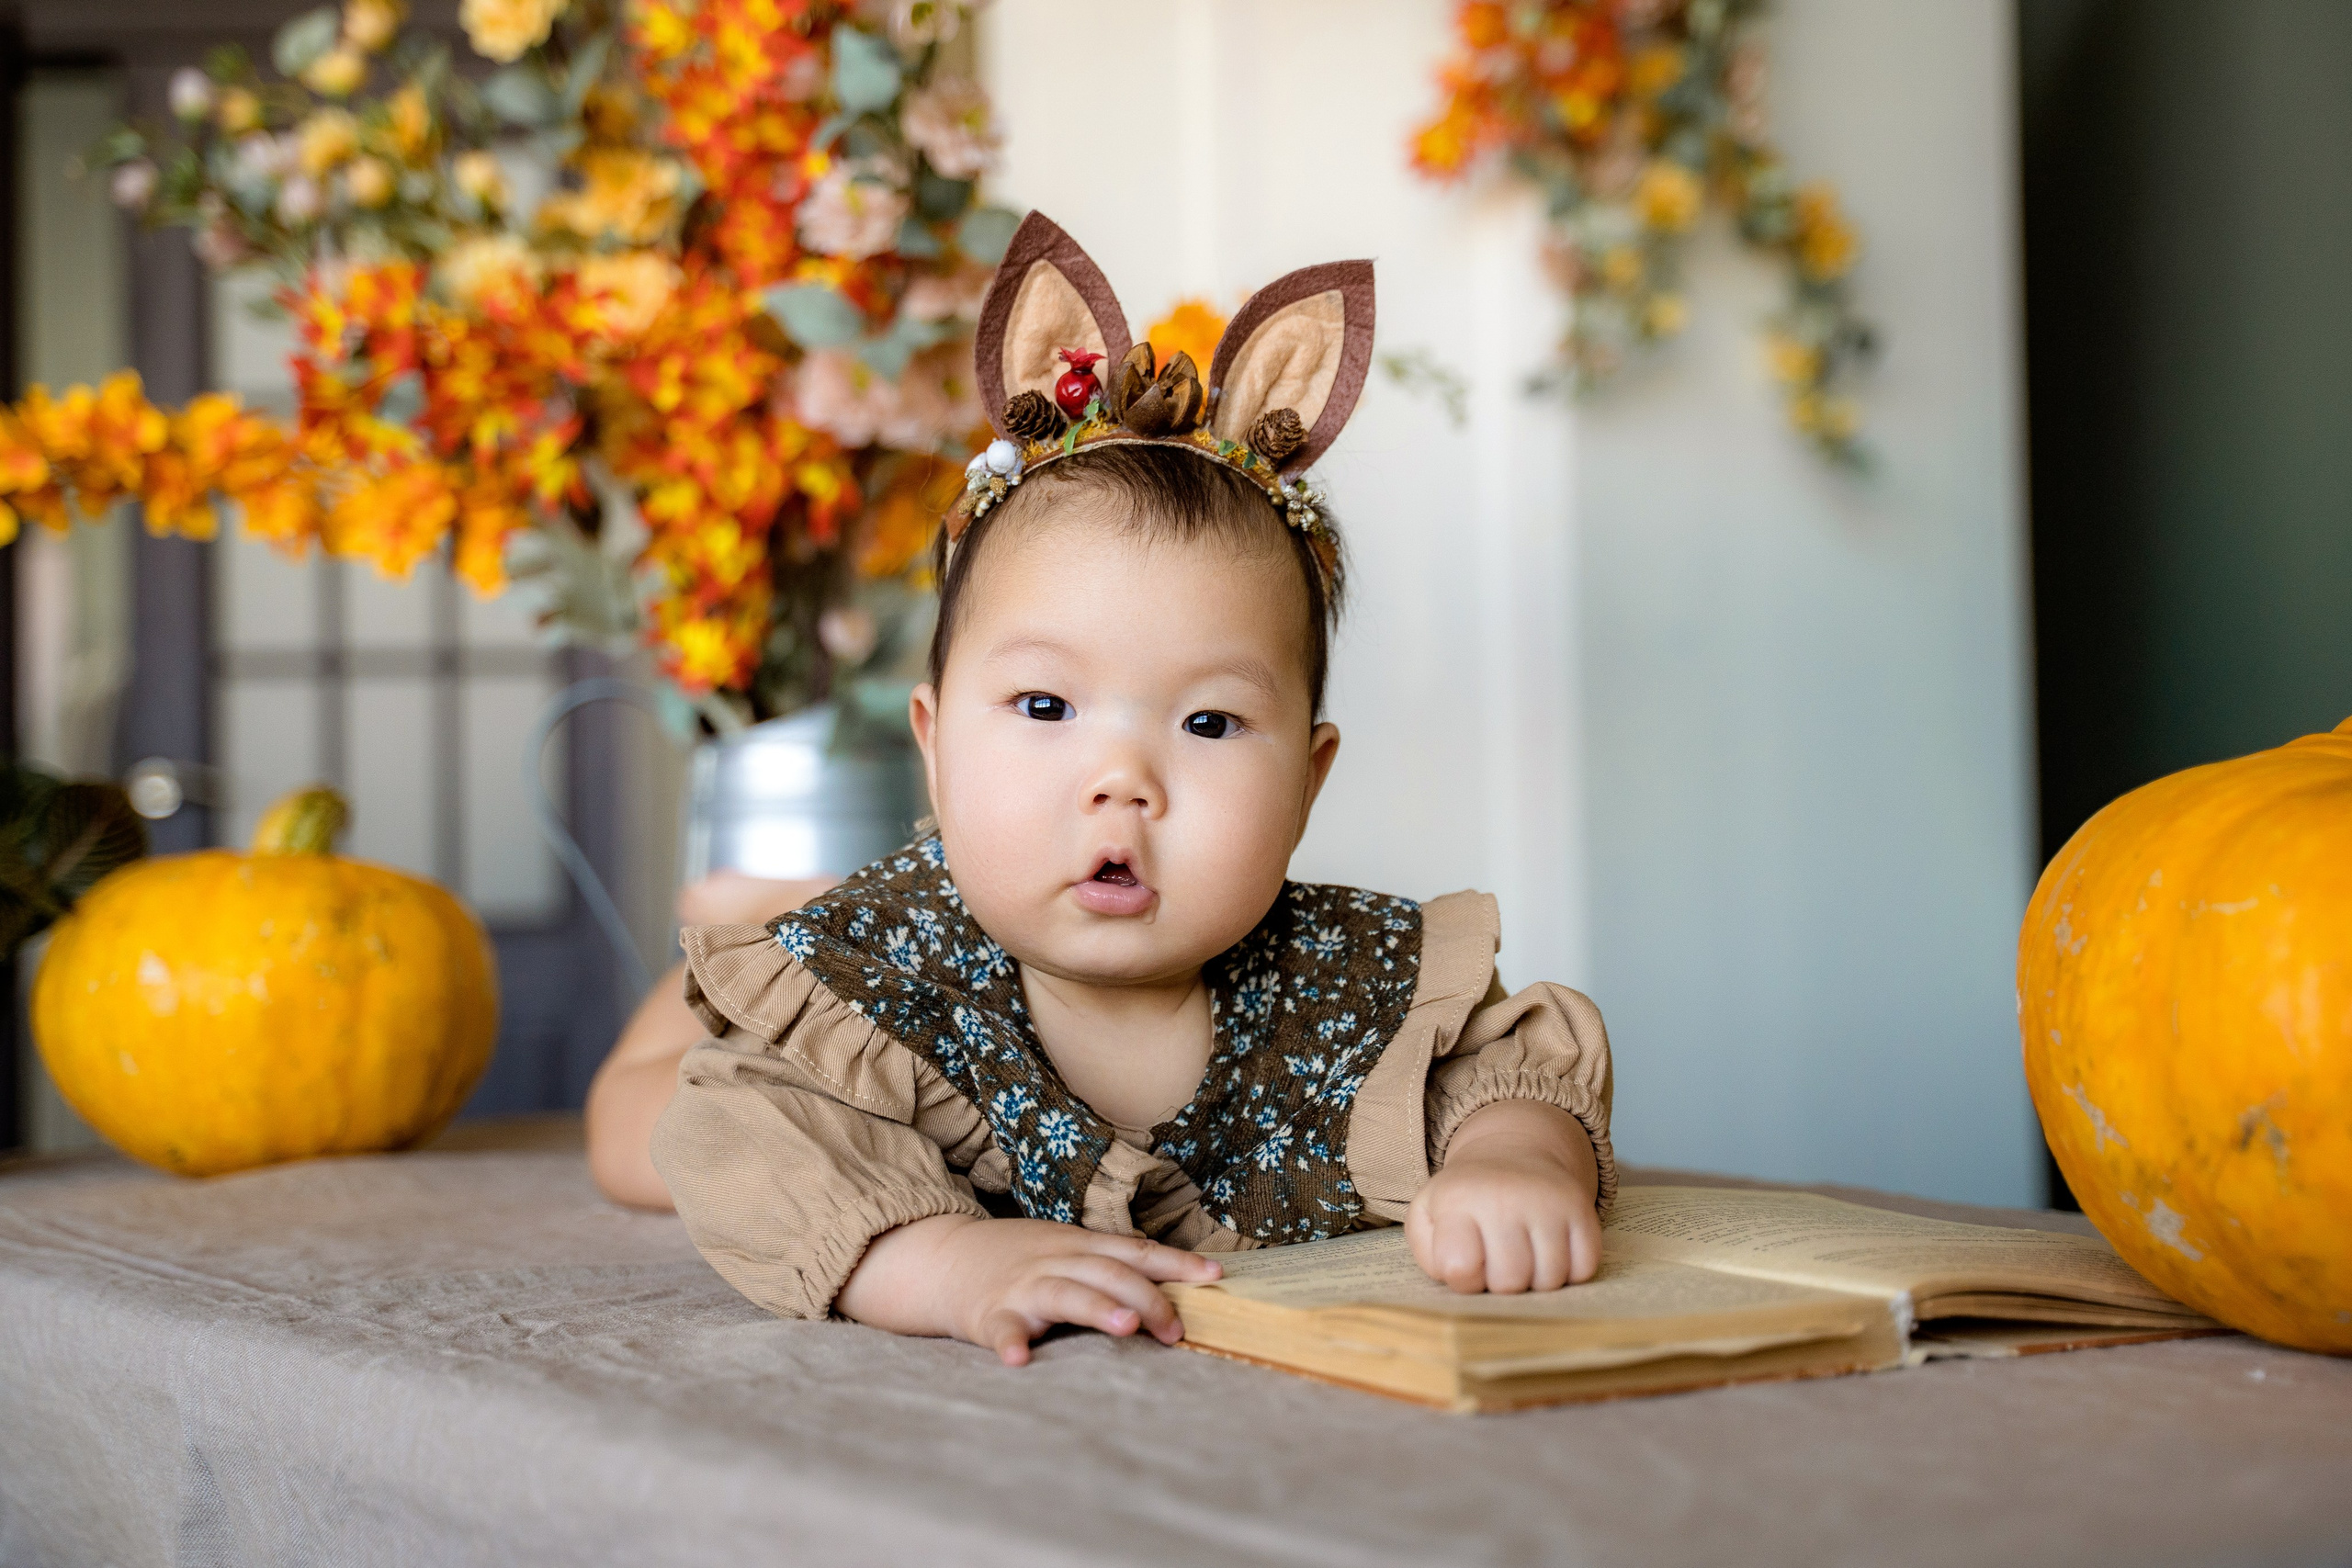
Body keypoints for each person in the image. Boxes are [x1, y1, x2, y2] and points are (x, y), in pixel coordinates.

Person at [643, 213, 1618, 1366]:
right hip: (849, 953)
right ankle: (739, 910)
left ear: (1307, 783)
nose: (1123, 785)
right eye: (1045, 709)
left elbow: (1509, 1068)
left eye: (1209, 722)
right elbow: (730, 1135)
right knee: (644, 1118)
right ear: (935, 744)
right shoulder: (869, 983)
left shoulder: (1352, 980)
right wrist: (944, 1261)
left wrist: (1517, 1160)